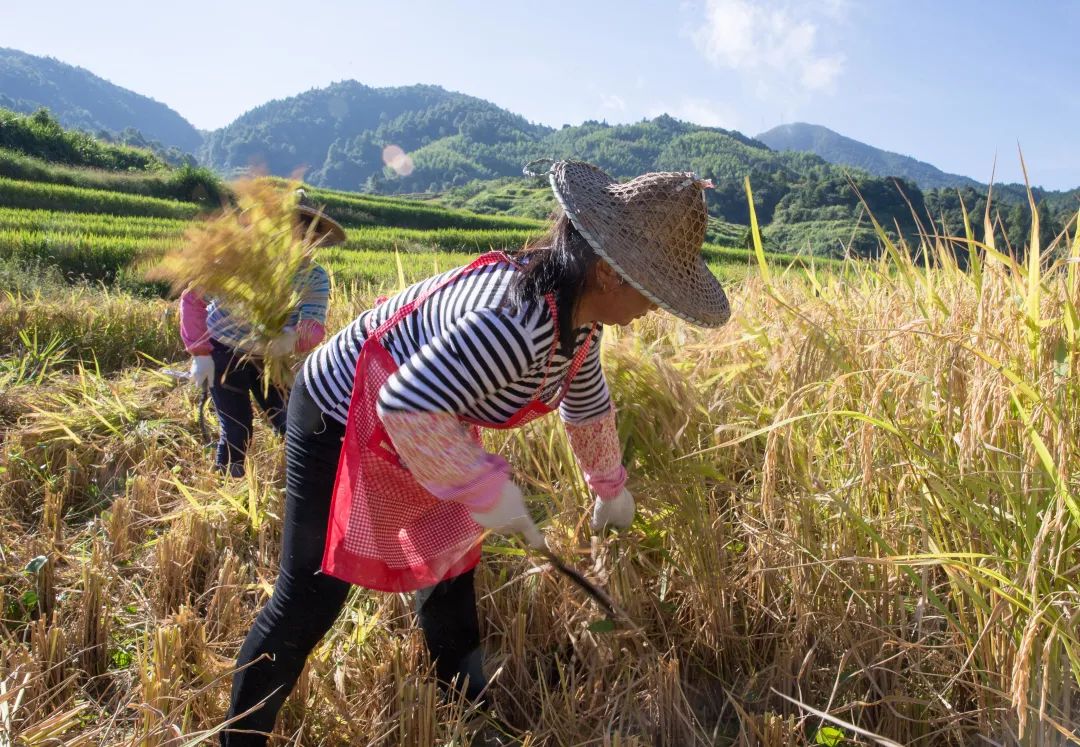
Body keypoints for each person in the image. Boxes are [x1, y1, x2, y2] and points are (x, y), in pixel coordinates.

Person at [220, 161, 731, 745]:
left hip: (431, 423)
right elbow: (405, 405)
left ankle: (469, 710)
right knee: (311, 594)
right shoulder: (514, 326)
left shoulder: (579, 319)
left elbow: (586, 403)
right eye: (654, 286)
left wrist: (609, 486)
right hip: (345, 407)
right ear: (608, 273)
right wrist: (487, 490)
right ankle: (239, 738)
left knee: (451, 565)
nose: (657, 305)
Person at [179, 191, 347, 477]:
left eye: (306, 233)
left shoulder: (313, 276)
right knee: (237, 428)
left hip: (272, 359)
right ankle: (226, 484)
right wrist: (201, 354)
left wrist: (290, 340)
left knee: (291, 422)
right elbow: (193, 299)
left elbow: (313, 324)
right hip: (225, 352)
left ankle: (304, 483)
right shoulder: (238, 262)